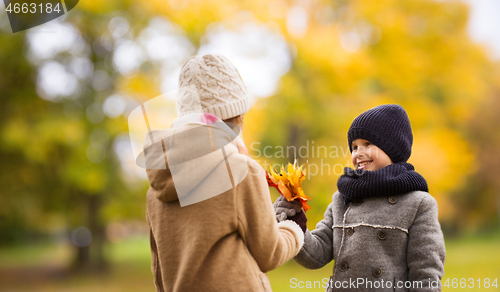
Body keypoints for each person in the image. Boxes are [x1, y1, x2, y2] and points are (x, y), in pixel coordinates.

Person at [145, 54, 304, 292]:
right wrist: (293, 227)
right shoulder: (241, 172)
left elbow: (160, 276)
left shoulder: (155, 189)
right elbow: (270, 254)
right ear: (236, 118)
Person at [274, 104, 446, 291]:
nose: (358, 153)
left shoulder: (418, 203)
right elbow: (317, 254)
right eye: (354, 147)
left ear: (393, 149)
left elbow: (426, 273)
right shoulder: (342, 199)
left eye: (368, 144)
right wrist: (295, 221)